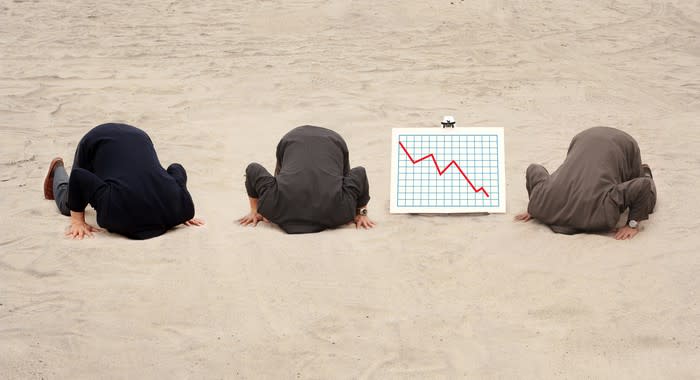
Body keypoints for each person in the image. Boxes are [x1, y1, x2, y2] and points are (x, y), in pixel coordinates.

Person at [43, 123, 204, 240]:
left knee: (87, 194)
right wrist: (77, 221)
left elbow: (176, 168)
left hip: (139, 136)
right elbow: (79, 176)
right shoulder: (112, 208)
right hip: (95, 142)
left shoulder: (182, 207)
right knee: (69, 205)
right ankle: (58, 168)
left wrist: (179, 207)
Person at [515, 126, 656, 240]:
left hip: (595, 139)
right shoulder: (541, 202)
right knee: (644, 200)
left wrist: (631, 224)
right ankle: (645, 172)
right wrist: (535, 206)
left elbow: (642, 184)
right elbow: (534, 169)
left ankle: (644, 172)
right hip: (592, 139)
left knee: (643, 195)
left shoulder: (603, 214)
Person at [239, 125, 375, 234]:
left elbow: (359, 173)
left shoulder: (341, 211)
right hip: (330, 139)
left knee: (343, 181)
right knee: (343, 179)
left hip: (296, 137)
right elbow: (253, 169)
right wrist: (361, 213)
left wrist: (254, 211)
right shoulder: (271, 206)